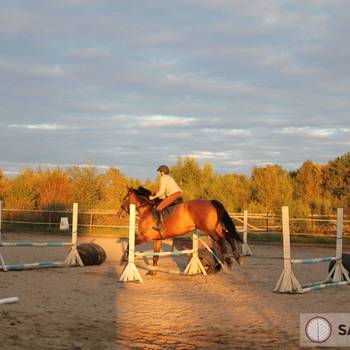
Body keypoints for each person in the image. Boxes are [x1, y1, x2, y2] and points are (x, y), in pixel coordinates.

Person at [149, 165, 183, 232]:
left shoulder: (163, 178)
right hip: (179, 194)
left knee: (159, 208)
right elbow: (163, 195)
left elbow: (161, 192)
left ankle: (160, 225)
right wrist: (158, 196)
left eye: (159, 172)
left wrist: (153, 197)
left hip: (174, 195)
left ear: (162, 172)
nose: (158, 173)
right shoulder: (169, 177)